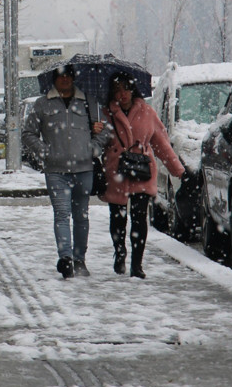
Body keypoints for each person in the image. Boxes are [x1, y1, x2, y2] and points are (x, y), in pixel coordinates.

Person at [21, 62, 109, 280]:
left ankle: (80, 259)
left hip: (84, 169)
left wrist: (94, 149)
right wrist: (44, 152)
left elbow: (105, 130)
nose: (65, 80)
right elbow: (28, 134)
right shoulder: (42, 104)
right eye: (60, 76)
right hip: (56, 171)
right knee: (61, 214)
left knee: (81, 216)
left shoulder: (89, 102)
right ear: (54, 79)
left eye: (68, 75)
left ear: (73, 78)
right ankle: (66, 259)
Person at [102, 72, 186, 279]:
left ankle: (137, 264)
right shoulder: (106, 113)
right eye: (117, 89)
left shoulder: (147, 112)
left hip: (142, 169)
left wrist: (178, 169)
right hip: (117, 170)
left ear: (133, 89)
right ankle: (119, 251)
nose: (122, 94)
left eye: (126, 88)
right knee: (117, 217)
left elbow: (161, 143)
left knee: (139, 218)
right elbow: (99, 142)